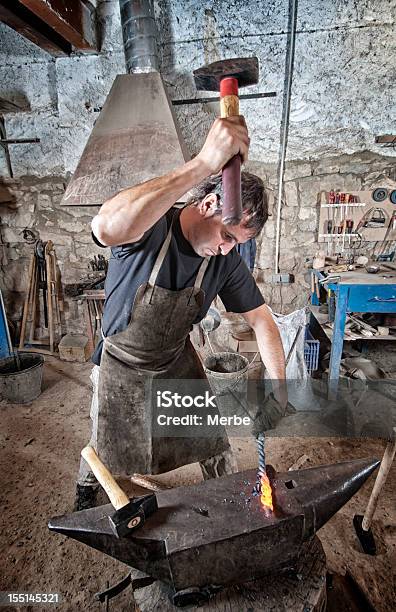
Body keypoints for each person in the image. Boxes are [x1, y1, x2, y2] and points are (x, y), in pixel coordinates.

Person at [75, 116, 286, 510]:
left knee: (213, 440)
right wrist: (204, 163)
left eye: (236, 244)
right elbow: (104, 226)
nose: (227, 251)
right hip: (120, 363)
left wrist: (280, 388)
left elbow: (262, 320)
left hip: (173, 362)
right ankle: (86, 485)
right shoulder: (151, 227)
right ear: (207, 205)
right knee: (105, 439)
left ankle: (232, 505)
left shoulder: (225, 261)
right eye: (227, 236)